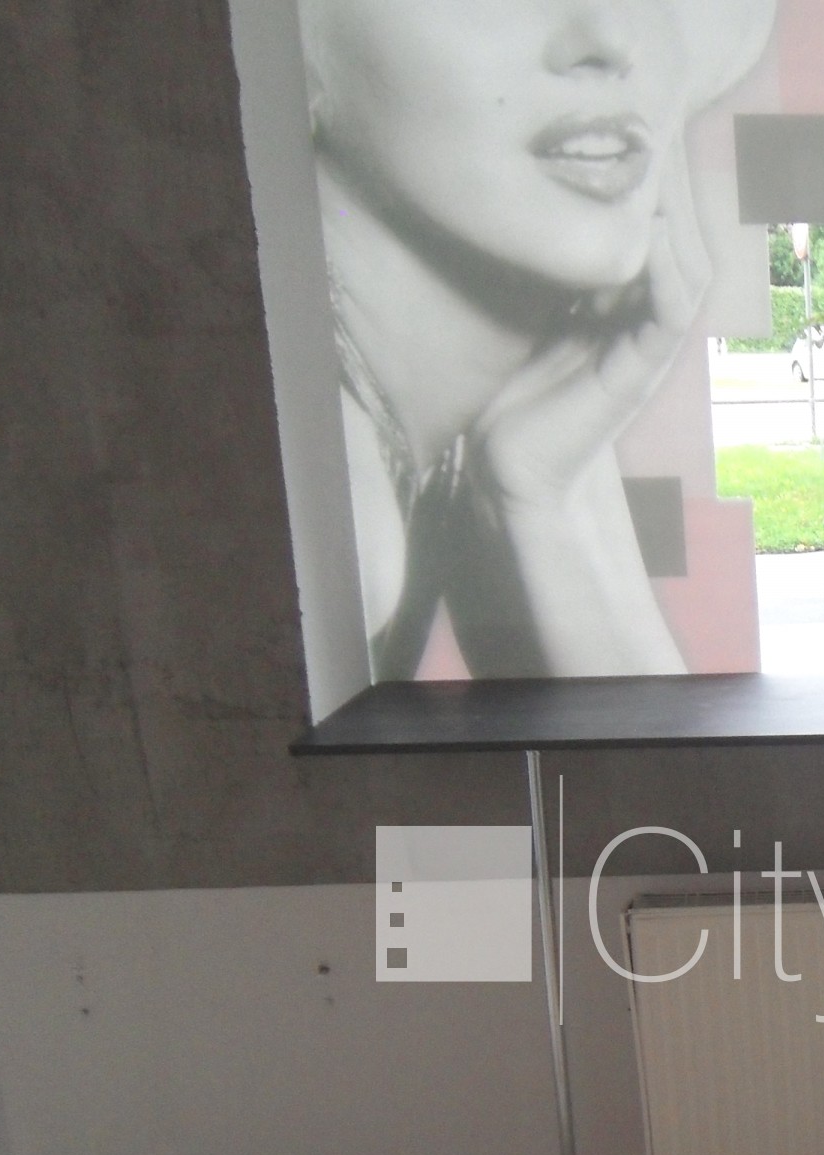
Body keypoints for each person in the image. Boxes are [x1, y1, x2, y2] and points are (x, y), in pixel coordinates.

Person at [301, 0, 774, 679]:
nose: (612, 36)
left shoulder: (459, 414)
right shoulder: (336, 513)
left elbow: (645, 743)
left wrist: (548, 491)